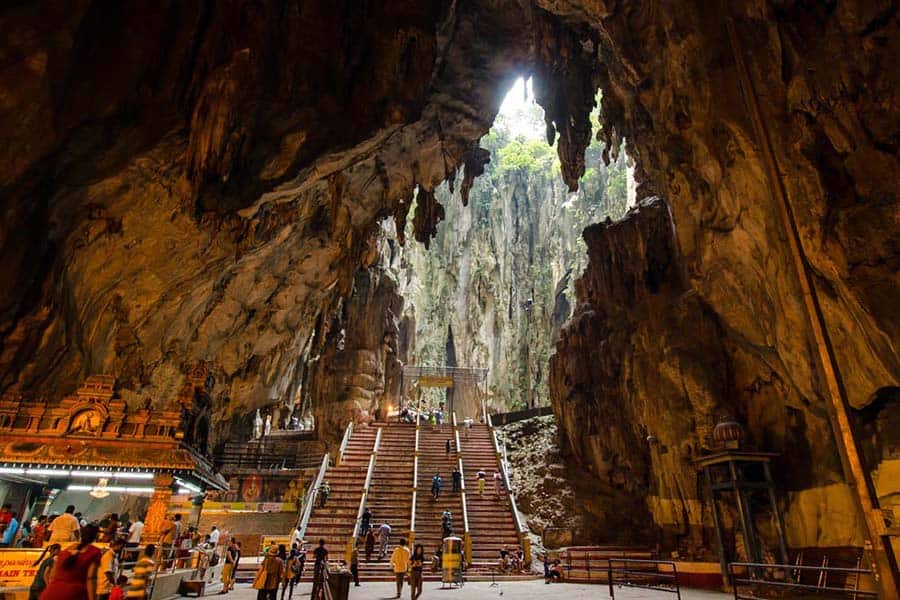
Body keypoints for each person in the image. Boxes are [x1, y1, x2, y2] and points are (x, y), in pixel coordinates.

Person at [41, 523, 102, 600]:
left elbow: (52, 575)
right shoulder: (93, 552)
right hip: (74, 594)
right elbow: (91, 578)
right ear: (95, 536)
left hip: (50, 593)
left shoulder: (64, 552)